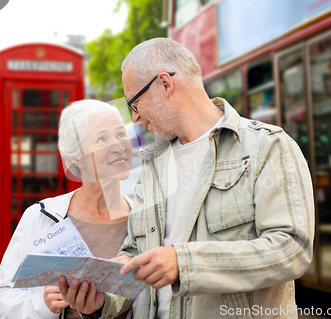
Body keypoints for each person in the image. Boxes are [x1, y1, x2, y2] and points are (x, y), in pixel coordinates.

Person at [61, 38, 315, 319]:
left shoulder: (267, 147)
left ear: (165, 84)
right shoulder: (152, 163)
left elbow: (291, 248)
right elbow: (136, 253)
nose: (135, 119)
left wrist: (185, 263)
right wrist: (101, 300)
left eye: (134, 103)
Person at [0, 100, 134, 319]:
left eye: (121, 134)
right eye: (102, 138)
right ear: (77, 157)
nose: (118, 146)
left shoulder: (144, 220)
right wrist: (43, 304)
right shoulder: (41, 217)